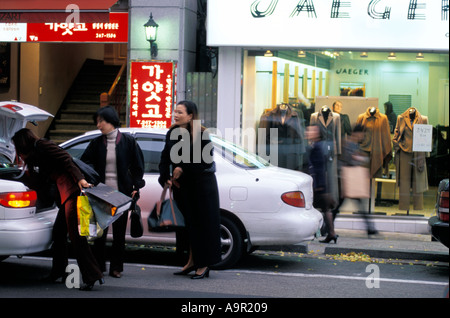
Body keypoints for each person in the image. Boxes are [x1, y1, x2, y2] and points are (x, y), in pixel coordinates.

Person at [12, 128, 104, 291]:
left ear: (22, 144)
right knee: (59, 233)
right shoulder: (34, 156)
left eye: (17, 148)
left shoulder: (42, 145)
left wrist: (80, 179)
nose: (17, 153)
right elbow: (37, 181)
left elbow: (66, 159)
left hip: (73, 191)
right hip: (65, 194)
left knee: (76, 237)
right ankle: (59, 272)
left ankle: (92, 275)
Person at [159, 100, 221, 279]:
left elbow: (205, 162)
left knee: (202, 227)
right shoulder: (172, 132)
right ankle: (191, 261)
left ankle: (203, 265)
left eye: (179, 112)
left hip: (202, 188)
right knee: (188, 228)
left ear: (190, 115)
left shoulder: (202, 134)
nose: (175, 115)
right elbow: (165, 157)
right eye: (175, 112)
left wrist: (182, 168)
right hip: (182, 187)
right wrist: (165, 177)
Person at [80, 106, 145, 278]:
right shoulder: (95, 143)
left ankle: (116, 268)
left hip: (121, 194)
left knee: (119, 234)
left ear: (111, 121)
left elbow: (138, 166)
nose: (98, 124)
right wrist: (91, 180)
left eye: (101, 121)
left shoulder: (128, 141)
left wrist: (136, 187)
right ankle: (98, 266)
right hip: (101, 193)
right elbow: (84, 162)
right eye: (97, 121)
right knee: (100, 233)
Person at [340, 124, 378, 235]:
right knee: (337, 207)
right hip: (348, 179)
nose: (363, 136)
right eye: (362, 134)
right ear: (357, 133)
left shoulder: (352, 144)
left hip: (351, 180)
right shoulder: (348, 144)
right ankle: (370, 228)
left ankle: (370, 228)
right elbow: (348, 160)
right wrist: (360, 158)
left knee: (355, 205)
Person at [305, 125, 338, 244]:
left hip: (319, 184)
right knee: (325, 209)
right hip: (320, 183)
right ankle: (331, 233)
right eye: (308, 130)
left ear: (317, 134)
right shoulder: (315, 145)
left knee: (321, 208)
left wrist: (318, 185)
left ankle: (329, 232)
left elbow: (318, 167)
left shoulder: (317, 147)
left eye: (312, 130)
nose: (308, 132)